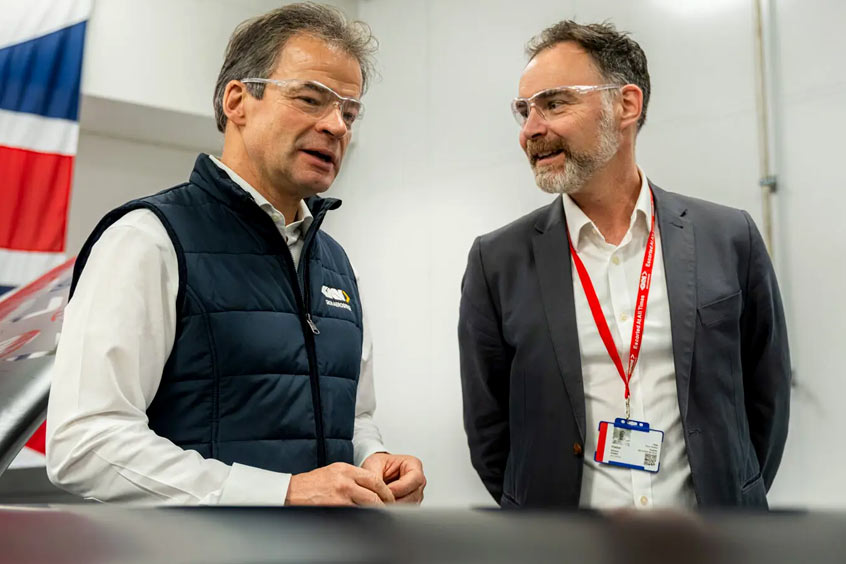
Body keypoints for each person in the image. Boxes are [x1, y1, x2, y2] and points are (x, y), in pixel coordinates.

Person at [46, 2, 425, 506]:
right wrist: (281, 493)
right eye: (311, 99)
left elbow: (353, 418)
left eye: (349, 112)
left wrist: (373, 460)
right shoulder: (147, 239)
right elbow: (85, 443)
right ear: (237, 101)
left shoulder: (335, 264)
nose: (337, 125)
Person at [458, 20, 789, 510]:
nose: (531, 130)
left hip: (710, 538)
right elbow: (490, 431)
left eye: (554, 103)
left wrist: (733, 499)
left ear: (626, 105)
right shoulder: (497, 262)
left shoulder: (728, 237)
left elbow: (767, 399)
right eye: (524, 111)